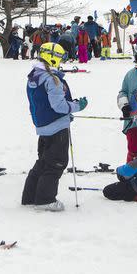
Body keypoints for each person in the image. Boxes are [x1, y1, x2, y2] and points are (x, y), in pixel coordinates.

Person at [22, 42, 88, 211]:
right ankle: (45, 200)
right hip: (57, 128)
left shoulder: (34, 76)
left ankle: (30, 196)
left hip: (44, 127)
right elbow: (58, 106)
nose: (61, 62)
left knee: (43, 162)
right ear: (52, 58)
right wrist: (77, 106)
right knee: (56, 163)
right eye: (59, 59)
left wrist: (67, 111)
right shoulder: (52, 79)